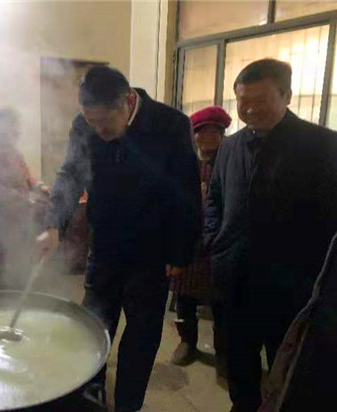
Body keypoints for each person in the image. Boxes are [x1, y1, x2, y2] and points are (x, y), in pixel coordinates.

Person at [36, 66, 201, 412]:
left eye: (104, 122)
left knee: (141, 335)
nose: (98, 130)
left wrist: (180, 253)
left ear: (127, 101)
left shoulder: (171, 124)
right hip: (105, 246)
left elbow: (186, 192)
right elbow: (70, 174)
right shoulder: (84, 125)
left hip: (151, 253)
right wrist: (53, 224)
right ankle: (90, 395)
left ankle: (128, 404)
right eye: (91, 122)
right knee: (92, 327)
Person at [204, 58, 337, 412]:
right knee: (237, 358)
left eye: (260, 100)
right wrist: (213, 239)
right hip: (233, 277)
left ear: (287, 96)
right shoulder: (230, 146)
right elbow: (215, 198)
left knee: (288, 364)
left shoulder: (324, 146)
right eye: (243, 100)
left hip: (291, 285)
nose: (249, 109)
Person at [170, 106, 231, 379]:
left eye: (213, 132)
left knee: (222, 302)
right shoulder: (186, 165)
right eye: (200, 133)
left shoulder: (229, 164)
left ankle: (224, 351)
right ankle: (188, 342)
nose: (206, 138)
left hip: (220, 244)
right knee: (184, 297)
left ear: (222, 134)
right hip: (190, 243)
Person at [0, 107, 49, 288]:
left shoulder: (13, 150)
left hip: (19, 214)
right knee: (4, 259)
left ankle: (22, 289)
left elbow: (25, 177)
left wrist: (39, 186)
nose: (17, 131)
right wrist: (22, 199)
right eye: (13, 125)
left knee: (21, 256)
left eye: (17, 126)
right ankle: (5, 294)